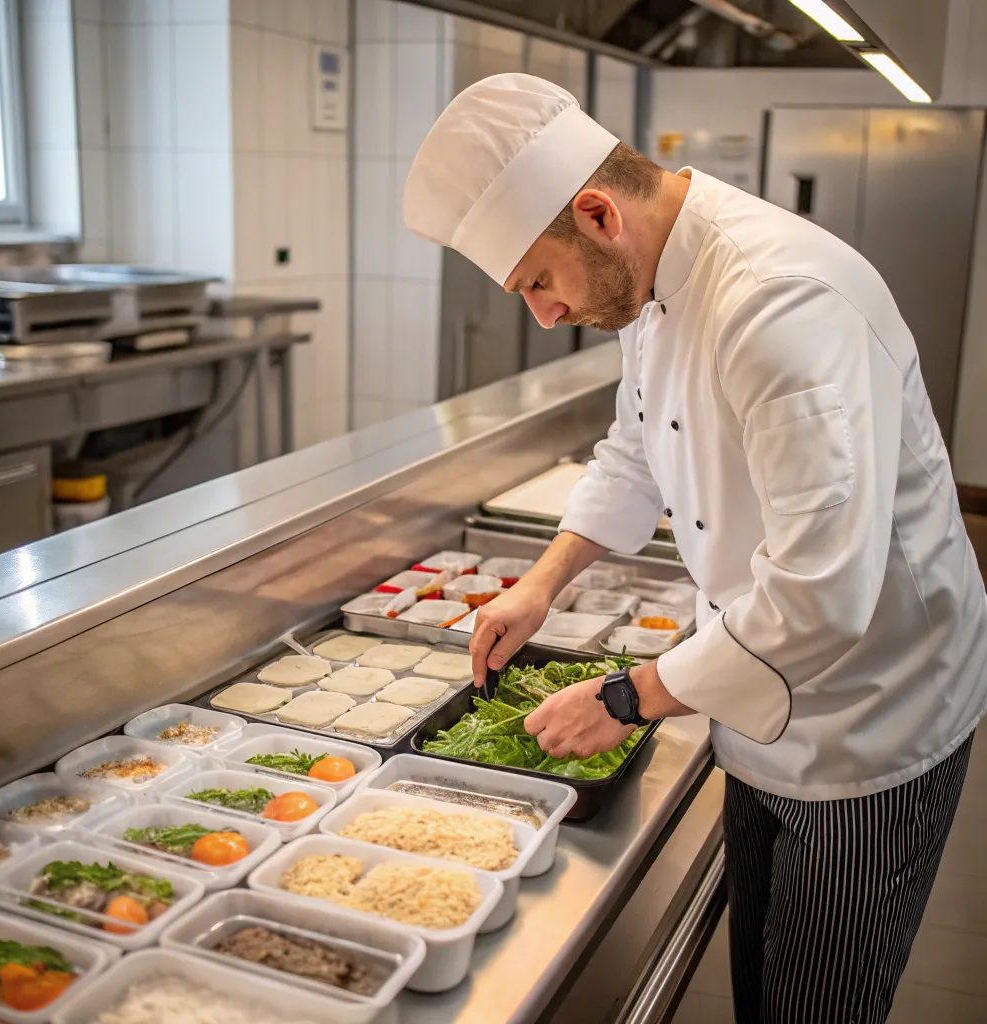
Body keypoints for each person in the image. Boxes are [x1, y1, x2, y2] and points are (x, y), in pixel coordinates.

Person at [403, 74, 987, 1024]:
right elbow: (634, 450)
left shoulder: (779, 302)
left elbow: (824, 592)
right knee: (764, 979)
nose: (544, 314)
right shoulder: (653, 276)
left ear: (597, 214)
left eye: (539, 282)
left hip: (871, 716)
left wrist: (625, 697)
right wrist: (542, 584)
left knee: (818, 1003)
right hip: (753, 688)